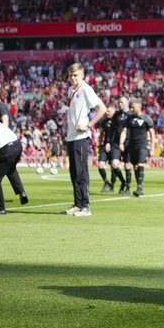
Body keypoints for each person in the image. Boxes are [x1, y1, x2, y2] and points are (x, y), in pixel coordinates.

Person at [62, 62, 106, 217]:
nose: (73, 78)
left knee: (81, 171)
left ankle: (85, 206)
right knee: (73, 171)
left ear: (82, 75)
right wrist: (66, 122)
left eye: (75, 75)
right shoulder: (70, 90)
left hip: (81, 136)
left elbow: (102, 108)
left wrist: (88, 125)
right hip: (71, 136)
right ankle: (77, 203)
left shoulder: (86, 88)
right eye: (71, 75)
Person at [0, 89, 27, 205]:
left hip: (3, 143)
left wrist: (2, 132)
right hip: (11, 142)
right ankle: (21, 192)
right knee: (10, 169)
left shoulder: (1, 106)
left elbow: (5, 119)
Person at [121, 99, 154, 197]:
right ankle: (140, 188)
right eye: (131, 107)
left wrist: (152, 147)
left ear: (139, 107)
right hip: (132, 146)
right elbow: (124, 131)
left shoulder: (146, 118)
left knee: (140, 164)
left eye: (133, 107)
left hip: (142, 145)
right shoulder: (129, 118)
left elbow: (152, 133)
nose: (131, 109)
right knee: (135, 166)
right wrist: (121, 142)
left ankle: (139, 187)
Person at [96, 103, 122, 193]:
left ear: (114, 111)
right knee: (100, 165)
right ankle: (106, 182)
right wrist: (99, 144)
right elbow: (101, 134)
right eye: (106, 111)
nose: (107, 112)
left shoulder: (118, 121)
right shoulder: (104, 121)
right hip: (105, 145)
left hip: (114, 146)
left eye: (109, 111)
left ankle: (113, 187)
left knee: (113, 166)